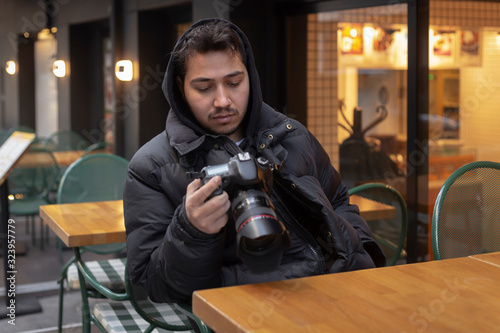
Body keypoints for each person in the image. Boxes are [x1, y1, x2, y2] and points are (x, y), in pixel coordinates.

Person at [124, 18, 385, 304]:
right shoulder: (150, 166)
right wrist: (191, 230)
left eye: (234, 82)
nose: (222, 100)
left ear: (250, 76)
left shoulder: (291, 134)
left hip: (346, 290)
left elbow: (339, 201)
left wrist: (362, 251)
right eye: (204, 88)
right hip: (254, 309)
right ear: (180, 87)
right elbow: (152, 284)